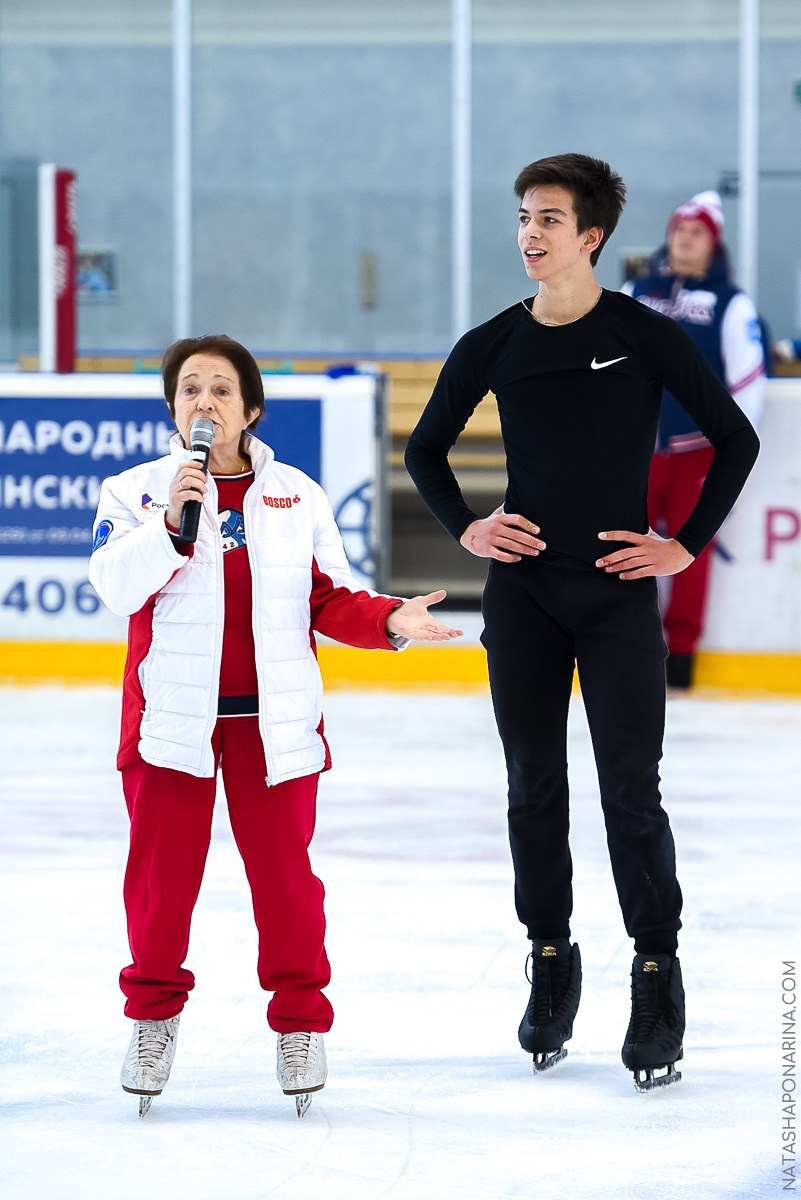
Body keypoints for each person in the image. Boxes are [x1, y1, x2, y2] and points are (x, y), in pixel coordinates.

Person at [404, 154, 759, 1091]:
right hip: (521, 595)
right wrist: (468, 526)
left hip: (612, 598)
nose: (530, 231)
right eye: (524, 214)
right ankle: (550, 957)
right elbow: (425, 449)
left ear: (589, 236)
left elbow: (735, 437)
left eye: (550, 218)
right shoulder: (492, 343)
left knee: (628, 792)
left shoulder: (643, 335)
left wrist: (680, 545)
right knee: (531, 786)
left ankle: (655, 973)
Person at [88, 334, 461, 1118]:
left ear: (251, 409)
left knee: (288, 887)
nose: (204, 403)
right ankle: (152, 1021)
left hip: (272, 726)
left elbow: (326, 599)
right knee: (159, 890)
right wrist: (172, 526)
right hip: (170, 725)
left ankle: (299, 1025)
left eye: (221, 390)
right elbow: (116, 588)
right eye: (189, 389)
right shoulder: (136, 492)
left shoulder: (297, 495)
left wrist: (391, 619)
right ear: (171, 408)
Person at [622, 191, 765, 689]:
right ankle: (623, 649)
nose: (684, 237)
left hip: (697, 452)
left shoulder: (731, 302)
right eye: (679, 228)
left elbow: (748, 379)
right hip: (635, 451)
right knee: (619, 546)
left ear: (713, 244)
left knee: (688, 550)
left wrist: (732, 447)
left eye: (696, 231)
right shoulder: (636, 289)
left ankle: (680, 656)